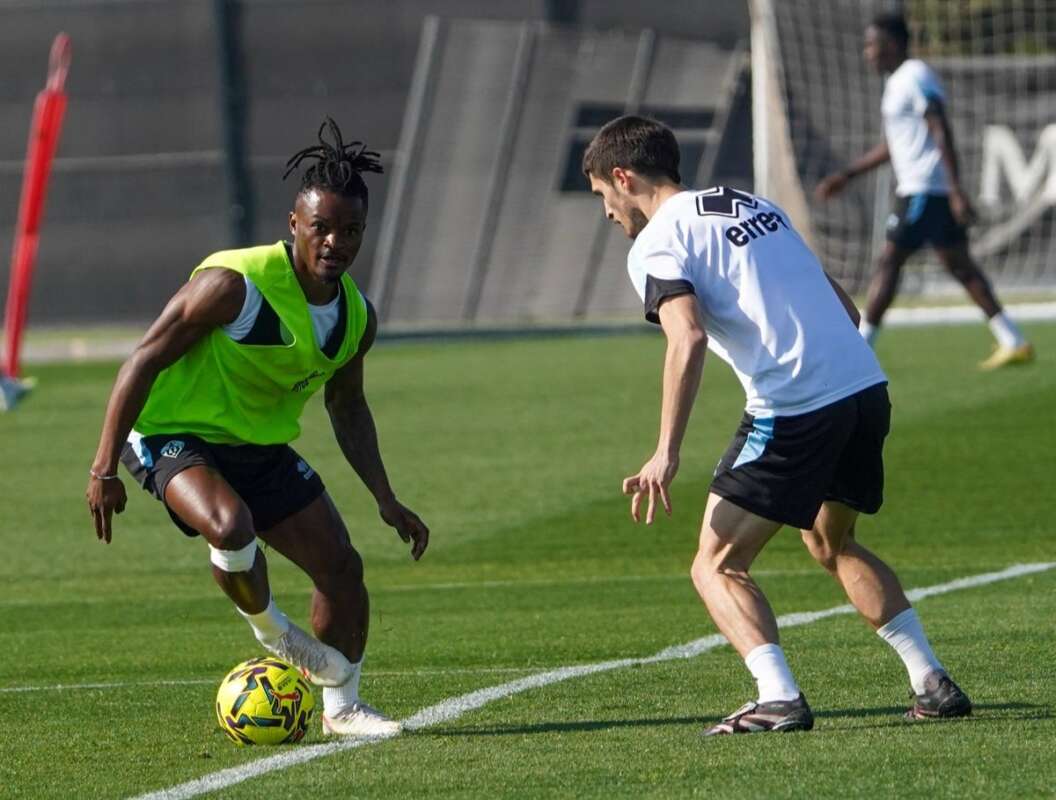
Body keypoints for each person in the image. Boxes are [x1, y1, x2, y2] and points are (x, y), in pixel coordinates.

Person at [583, 115, 971, 735]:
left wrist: (665, 451)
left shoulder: (656, 242)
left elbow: (687, 337)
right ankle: (931, 680)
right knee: (831, 542)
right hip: (864, 388)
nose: (606, 211)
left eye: (603, 193)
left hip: (796, 407)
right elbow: (841, 304)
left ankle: (778, 697)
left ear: (623, 177)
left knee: (715, 563)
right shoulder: (751, 204)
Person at [85, 118, 429, 737]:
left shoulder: (356, 318)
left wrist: (386, 497)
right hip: (169, 433)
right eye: (321, 227)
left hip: (258, 446)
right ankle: (276, 634)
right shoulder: (233, 286)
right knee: (229, 523)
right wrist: (104, 467)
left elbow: (348, 406)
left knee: (343, 569)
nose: (335, 242)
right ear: (294, 224)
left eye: (350, 230)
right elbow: (144, 359)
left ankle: (343, 708)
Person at [816, 13, 1033, 369]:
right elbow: (894, 145)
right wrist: (848, 174)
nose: (867, 53)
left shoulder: (914, 75)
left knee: (889, 260)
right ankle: (1013, 340)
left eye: (872, 45)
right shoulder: (897, 82)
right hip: (929, 188)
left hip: (923, 188)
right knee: (960, 266)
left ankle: (860, 346)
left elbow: (940, 127)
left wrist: (956, 189)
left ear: (891, 44)